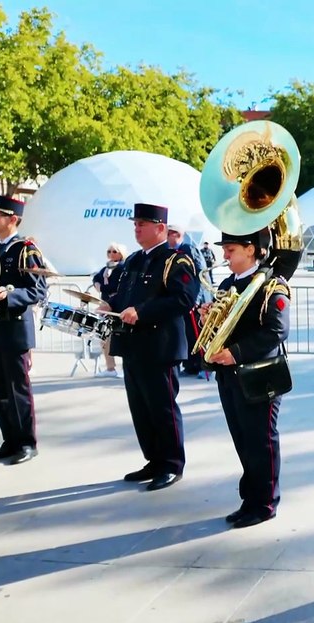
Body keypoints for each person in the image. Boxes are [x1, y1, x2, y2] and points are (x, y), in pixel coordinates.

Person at [106, 203, 198, 490]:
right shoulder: (133, 260)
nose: (137, 228)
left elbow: (184, 300)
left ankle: (171, 463)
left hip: (160, 346)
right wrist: (109, 304)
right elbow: (123, 296)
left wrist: (142, 312)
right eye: (135, 224)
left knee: (162, 407)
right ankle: (154, 460)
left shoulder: (176, 261)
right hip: (133, 345)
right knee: (141, 408)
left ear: (160, 228)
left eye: (142, 224)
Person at [203, 230, 291, 528]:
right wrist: (208, 320)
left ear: (251, 249)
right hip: (229, 376)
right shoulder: (228, 284)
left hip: (259, 376)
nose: (225, 255)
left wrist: (235, 353)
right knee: (242, 438)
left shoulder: (271, 285)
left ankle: (265, 502)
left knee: (260, 440)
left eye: (230, 249)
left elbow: (276, 331)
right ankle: (250, 499)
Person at [0, 195, 47, 465]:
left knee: (18, 389)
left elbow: (38, 289)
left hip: (15, 327)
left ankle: (27, 443)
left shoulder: (25, 249)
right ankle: (9, 440)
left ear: (13, 219)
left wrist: (9, 295)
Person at [168, 224, 210, 377]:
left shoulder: (188, 249)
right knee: (186, 333)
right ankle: (190, 365)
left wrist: (196, 298)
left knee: (198, 333)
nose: (166, 238)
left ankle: (204, 366)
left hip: (194, 299)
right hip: (183, 299)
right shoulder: (172, 252)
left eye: (169, 234)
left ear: (176, 235)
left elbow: (200, 274)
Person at [91, 243, 128, 378]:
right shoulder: (106, 267)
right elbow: (96, 278)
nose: (111, 254)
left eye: (114, 251)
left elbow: (116, 287)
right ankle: (110, 367)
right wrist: (97, 284)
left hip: (118, 305)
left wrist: (102, 287)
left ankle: (125, 367)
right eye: (109, 251)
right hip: (106, 304)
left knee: (122, 336)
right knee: (105, 337)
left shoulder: (123, 268)